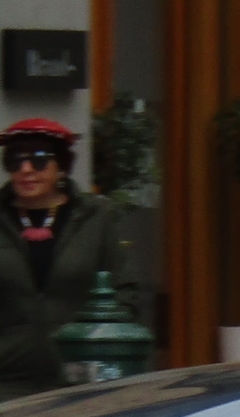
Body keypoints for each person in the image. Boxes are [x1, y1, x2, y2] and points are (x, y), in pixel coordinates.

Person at [0, 117, 139, 399]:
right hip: (7, 381)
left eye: (39, 160)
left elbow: (123, 292)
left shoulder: (96, 218)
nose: (26, 170)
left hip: (80, 379)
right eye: (15, 161)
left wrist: (102, 349)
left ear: (61, 165)